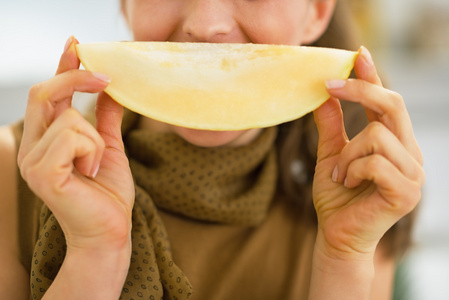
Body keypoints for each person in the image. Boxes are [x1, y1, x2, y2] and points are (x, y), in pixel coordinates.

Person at [0, 0, 425, 299]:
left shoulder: (361, 184)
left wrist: (345, 257)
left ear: (315, 10)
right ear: (125, 4)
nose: (206, 24)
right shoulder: (10, 168)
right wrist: (94, 253)